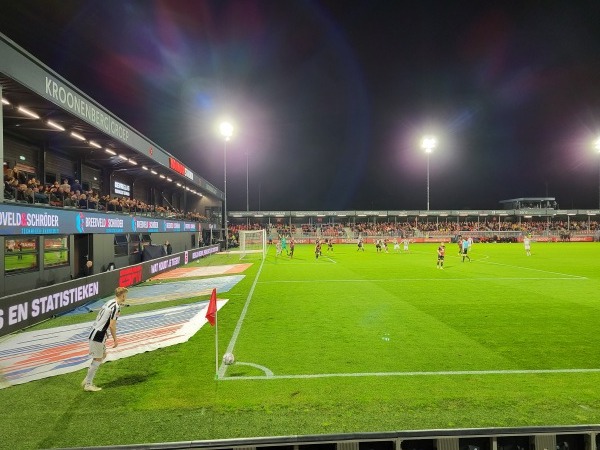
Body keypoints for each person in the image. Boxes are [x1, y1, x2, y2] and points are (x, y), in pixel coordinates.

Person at [81, 286, 128, 392]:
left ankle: (88, 378)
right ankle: (88, 384)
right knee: (97, 358)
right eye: (125, 295)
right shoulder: (116, 307)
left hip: (96, 331)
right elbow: (112, 325)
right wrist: (115, 339)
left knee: (103, 355)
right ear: (123, 296)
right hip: (98, 335)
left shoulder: (110, 302)